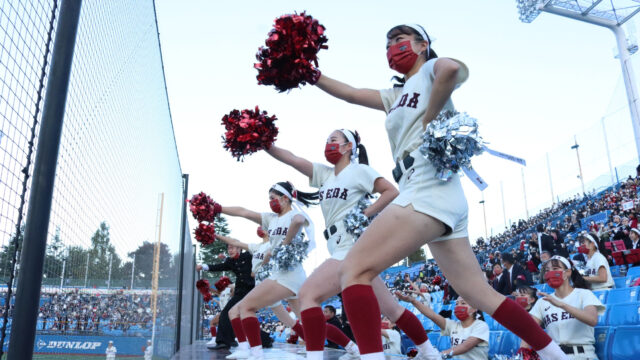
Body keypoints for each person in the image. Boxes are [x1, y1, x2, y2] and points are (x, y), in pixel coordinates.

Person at [311, 23, 568, 359]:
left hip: (427, 186)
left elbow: (450, 67)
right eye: (388, 42)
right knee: (480, 295)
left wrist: (431, 115)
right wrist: (309, 73)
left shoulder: (430, 69)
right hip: (437, 194)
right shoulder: (394, 96)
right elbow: (349, 91)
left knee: (354, 270)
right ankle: (557, 356)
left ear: (422, 45)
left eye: (400, 40)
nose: (392, 47)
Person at [265, 130, 440, 360]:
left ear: (349, 147)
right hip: (336, 244)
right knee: (392, 310)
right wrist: (266, 145)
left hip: (352, 244)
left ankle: (317, 357)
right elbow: (294, 159)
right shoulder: (324, 175)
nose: (328, 143)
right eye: (326, 139)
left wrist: (365, 213)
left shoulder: (359, 171)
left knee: (308, 294)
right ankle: (430, 352)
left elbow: (391, 191)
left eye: (334, 140)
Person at [213, 182, 316, 360]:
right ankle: (348, 345)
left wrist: (284, 244)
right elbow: (244, 212)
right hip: (277, 275)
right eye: (269, 199)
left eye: (273, 198)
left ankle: (254, 352)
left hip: (289, 273)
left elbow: (299, 221)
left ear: (285, 198)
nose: (270, 202)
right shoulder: (271, 219)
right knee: (304, 320)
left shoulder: (295, 213)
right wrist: (218, 208)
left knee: (246, 307)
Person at [214, 230, 299, 359]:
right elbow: (237, 246)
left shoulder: (273, 244)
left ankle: (318, 339)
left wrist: (264, 262)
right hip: (260, 286)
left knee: (294, 320)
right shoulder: (256, 247)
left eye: (266, 227)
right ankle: (249, 349)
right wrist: (215, 236)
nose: (262, 228)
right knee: (235, 313)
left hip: (272, 285)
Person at [527, 256, 604, 359]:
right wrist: (524, 350)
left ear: (567, 272)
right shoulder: (543, 301)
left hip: (582, 355)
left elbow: (592, 320)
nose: (550, 273)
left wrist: (562, 305)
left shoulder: (584, 294)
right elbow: (529, 329)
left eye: (555, 269)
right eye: (547, 270)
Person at [397, 292, 489, 360]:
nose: (458, 306)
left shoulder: (481, 325)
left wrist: (442, 354)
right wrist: (413, 301)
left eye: (463, 303)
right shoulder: (453, 325)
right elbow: (432, 315)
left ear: (474, 309)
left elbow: (466, 346)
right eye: (456, 304)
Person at [197, 243, 253, 350]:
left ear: (239, 248)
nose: (229, 250)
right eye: (228, 248)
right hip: (240, 292)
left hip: (250, 290)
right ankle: (230, 340)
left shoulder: (248, 255)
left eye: (232, 247)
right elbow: (218, 267)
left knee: (227, 315)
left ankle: (224, 342)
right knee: (233, 316)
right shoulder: (230, 261)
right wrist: (203, 266)